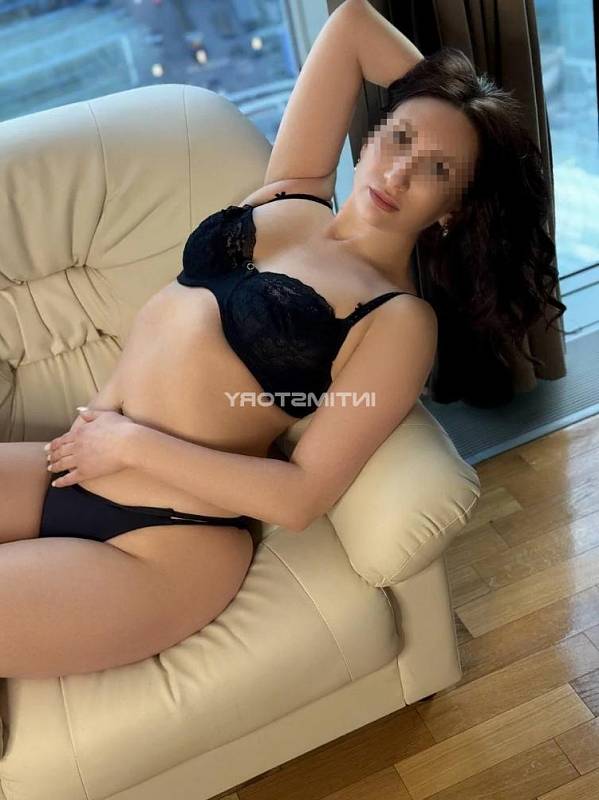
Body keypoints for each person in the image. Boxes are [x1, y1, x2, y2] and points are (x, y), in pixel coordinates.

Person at [0, 0, 564, 679]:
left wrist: (126, 444)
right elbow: (352, 24)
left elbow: (300, 497)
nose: (397, 173)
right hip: (71, 466)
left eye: (437, 172)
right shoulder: (292, 192)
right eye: (400, 138)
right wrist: (461, 99)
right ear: (373, 133)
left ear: (455, 210)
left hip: (167, 542)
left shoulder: (397, 320)